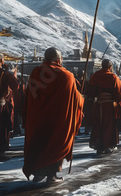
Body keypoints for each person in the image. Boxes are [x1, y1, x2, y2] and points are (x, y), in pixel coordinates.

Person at [22, 47, 83, 183]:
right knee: (55, 144)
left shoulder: (36, 73)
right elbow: (73, 98)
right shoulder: (66, 75)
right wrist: (81, 98)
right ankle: (51, 176)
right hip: (57, 120)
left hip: (39, 119)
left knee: (40, 143)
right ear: (58, 59)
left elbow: (29, 97)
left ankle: (38, 173)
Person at [88, 59, 121, 154]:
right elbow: (119, 94)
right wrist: (116, 101)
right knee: (109, 125)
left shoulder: (95, 76)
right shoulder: (113, 77)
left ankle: (99, 147)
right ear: (110, 67)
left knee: (98, 125)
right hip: (109, 106)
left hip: (99, 104)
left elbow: (91, 92)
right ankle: (108, 145)